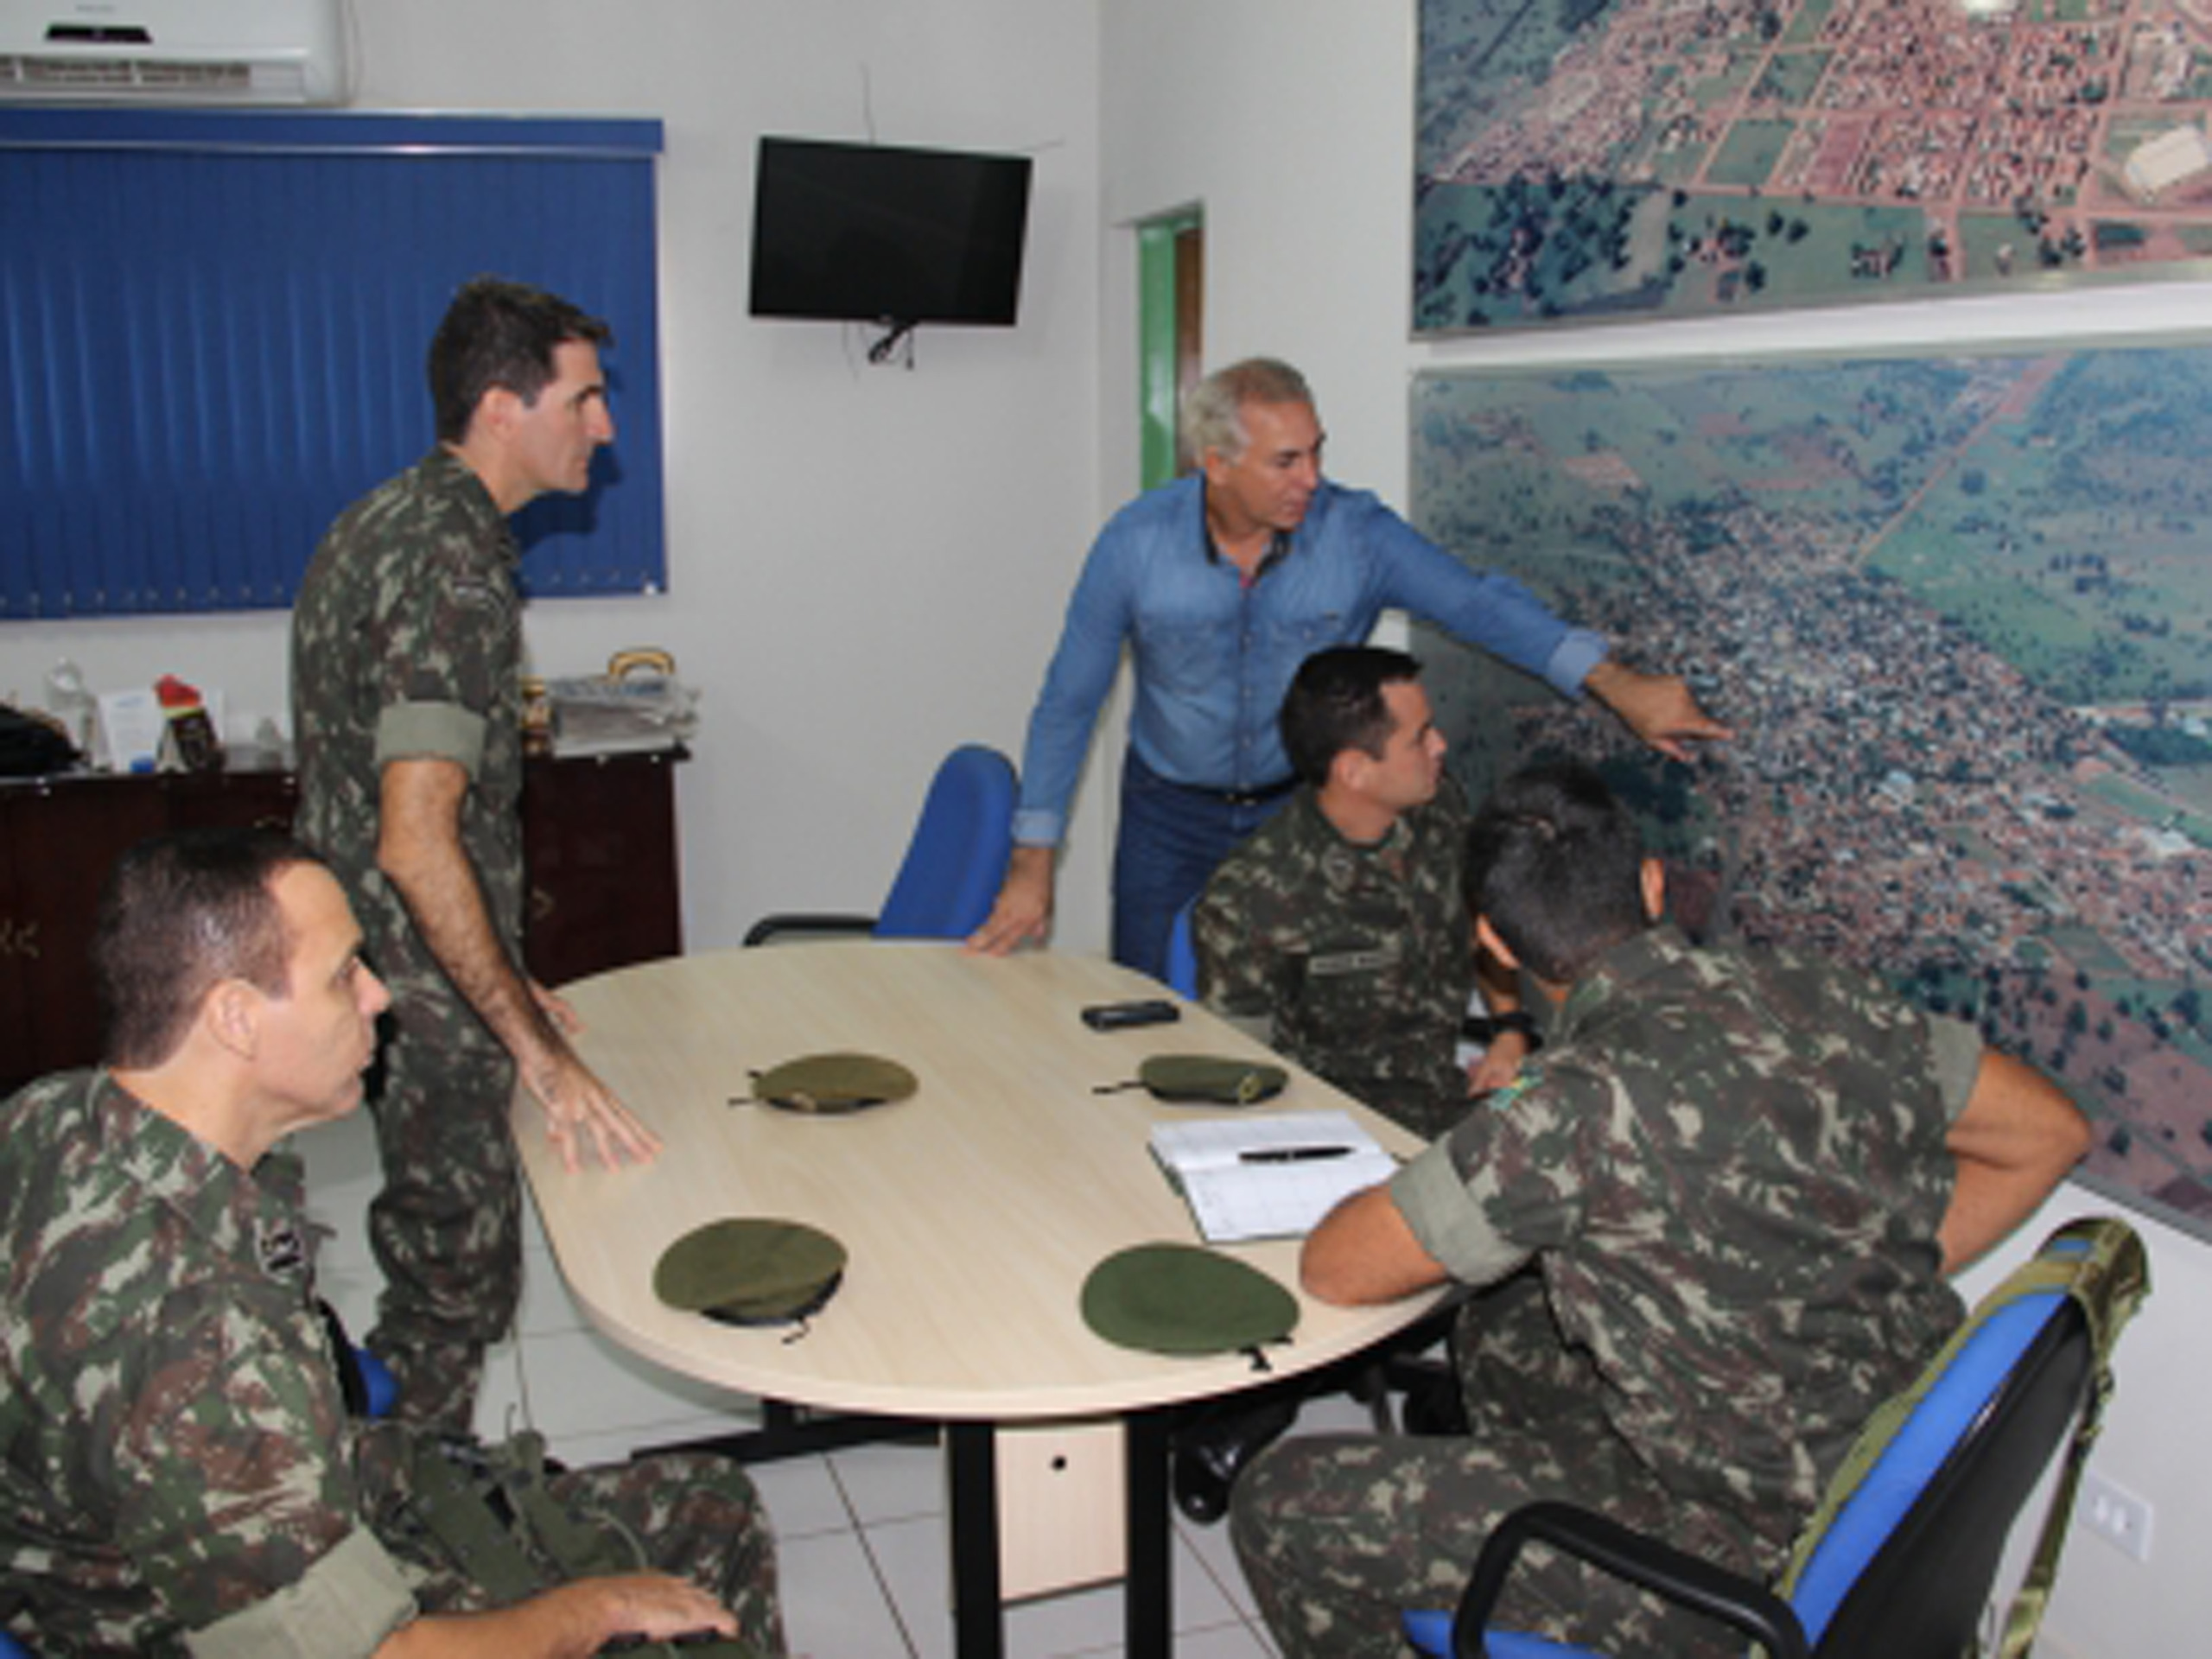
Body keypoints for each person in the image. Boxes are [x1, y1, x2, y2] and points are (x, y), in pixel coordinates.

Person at [1231, 761, 2092, 1657]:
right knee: (1505, 1329)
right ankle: (1524, 1563)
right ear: (1650, 883)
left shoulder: (1563, 1111)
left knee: (1283, 1503)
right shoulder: (1825, 995)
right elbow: (2050, 1133)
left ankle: (1577, 1585)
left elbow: (1335, 1266)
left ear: (1492, 939)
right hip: (1889, 1466)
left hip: (1748, 1556)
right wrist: (1866, 1258)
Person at [0, 828, 785, 1657]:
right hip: (223, 1629)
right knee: (710, 1524)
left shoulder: (49, 1115)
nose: (377, 995)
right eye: (343, 974)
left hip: (133, 1574)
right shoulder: (206, 1344)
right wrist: (592, 1611)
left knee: (701, 1496)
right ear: (234, 1017)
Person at [967, 356, 1731, 979]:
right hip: (1166, 811)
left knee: (1293, 1009)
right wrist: (1032, 864)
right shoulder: (1133, 546)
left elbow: (1479, 606)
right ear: (1217, 464)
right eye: (1286, 461)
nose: (1313, 478)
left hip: (1298, 810)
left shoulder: (1356, 536)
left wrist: (1615, 684)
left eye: (1317, 450)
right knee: (1143, 1001)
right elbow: (1069, 702)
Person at [291, 275, 660, 1433]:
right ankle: (416, 1526)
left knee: (434, 1270)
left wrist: (499, 968)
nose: (604, 427)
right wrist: (530, 1042)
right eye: (585, 399)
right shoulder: (453, 566)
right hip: (425, 995)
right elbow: (414, 839)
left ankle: (415, 1495)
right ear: (504, 407)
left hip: (390, 970)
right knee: (455, 1287)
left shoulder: (386, 518)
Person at [1194, 645, 1530, 1144]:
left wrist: (1511, 1031)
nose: (1439, 746)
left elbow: (1484, 929)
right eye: (1419, 739)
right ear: (1353, 770)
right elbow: (1241, 1078)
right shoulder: (1252, 896)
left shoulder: (1440, 811)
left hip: (1449, 1108)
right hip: (1335, 1136)